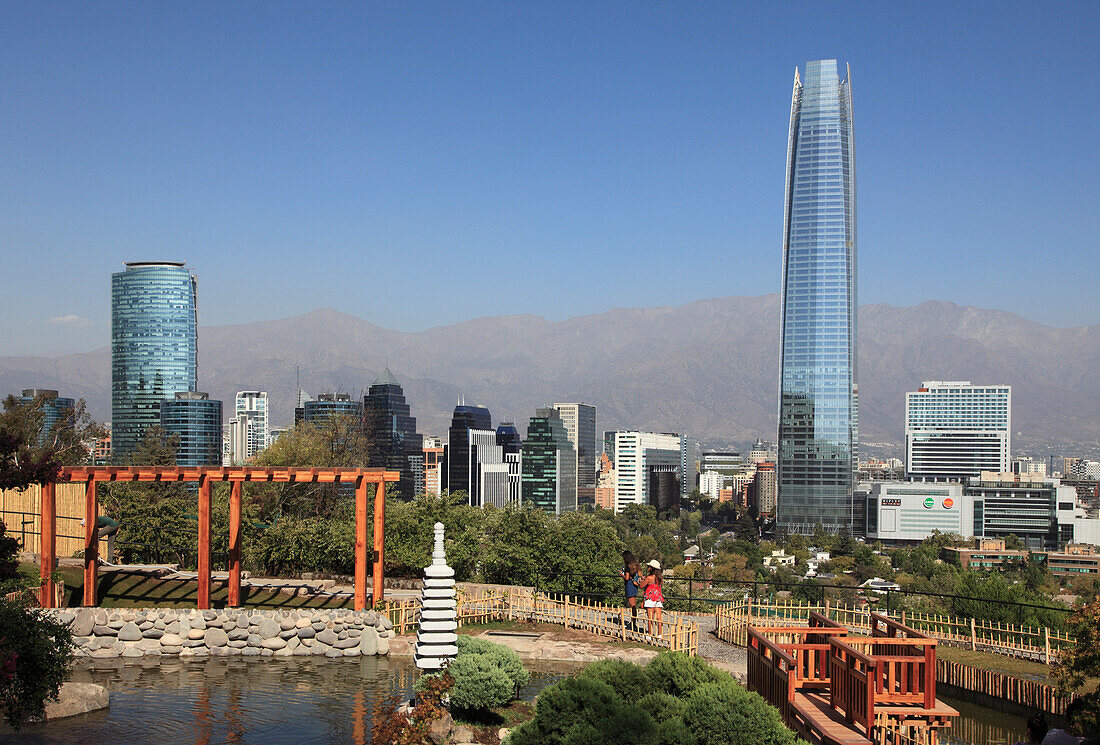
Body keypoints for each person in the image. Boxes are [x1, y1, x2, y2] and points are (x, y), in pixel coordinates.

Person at [639, 559, 664, 639]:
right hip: (658, 598)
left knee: (650, 617)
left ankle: (650, 633)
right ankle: (660, 634)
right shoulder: (660, 578)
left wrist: (641, 580)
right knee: (659, 617)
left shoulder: (649, 578)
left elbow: (641, 586)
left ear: (652, 568)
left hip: (650, 599)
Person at [620, 551, 642, 632]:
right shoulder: (636, 565)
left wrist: (622, 574)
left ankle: (633, 623)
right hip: (634, 585)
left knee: (632, 605)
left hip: (629, 585)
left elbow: (626, 578)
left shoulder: (628, 567)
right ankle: (633, 621)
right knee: (634, 604)